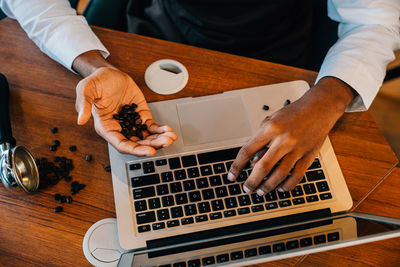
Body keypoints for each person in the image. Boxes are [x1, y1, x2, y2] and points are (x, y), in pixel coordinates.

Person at [1, 0, 399, 197]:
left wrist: (327, 99)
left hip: (278, 48)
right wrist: (93, 66)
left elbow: (374, 21)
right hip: (157, 31)